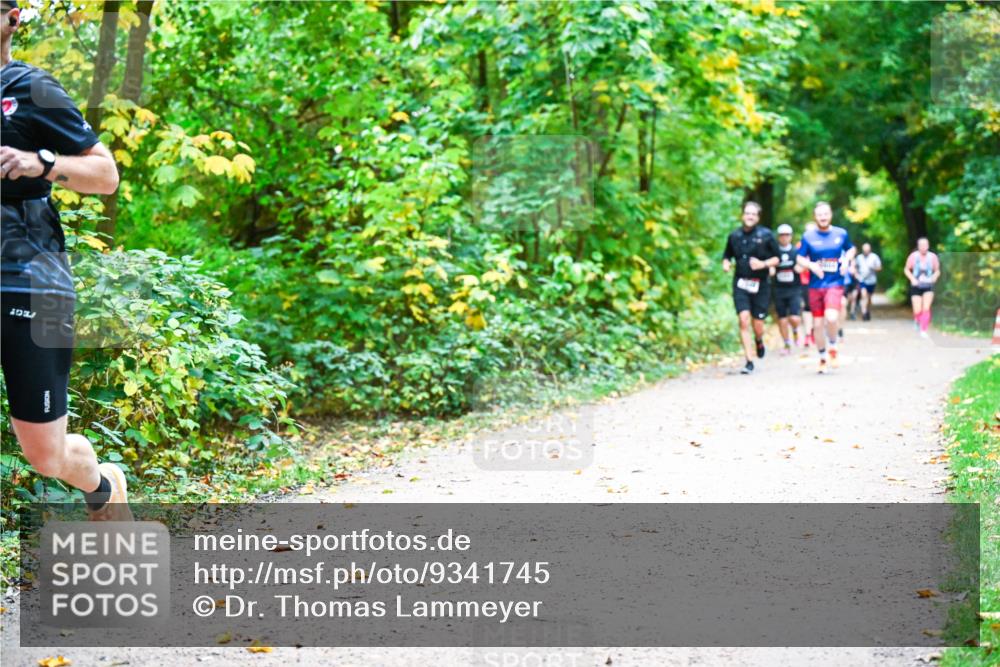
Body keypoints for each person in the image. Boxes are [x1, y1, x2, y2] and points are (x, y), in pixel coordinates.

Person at [1, 0, 129, 519]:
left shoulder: (33, 88)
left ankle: (103, 485)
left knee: (46, 456)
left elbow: (106, 175)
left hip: (36, 281)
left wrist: (42, 162)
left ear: (11, 18)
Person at [722, 201, 781, 375]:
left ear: (758, 217)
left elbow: (777, 258)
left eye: (753, 214)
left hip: (761, 285)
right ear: (742, 215)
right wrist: (726, 264)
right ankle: (749, 360)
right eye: (747, 213)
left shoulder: (767, 235)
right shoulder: (734, 236)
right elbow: (726, 256)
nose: (750, 216)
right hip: (741, 283)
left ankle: (759, 340)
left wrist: (763, 264)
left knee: (758, 323)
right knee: (743, 319)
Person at [797, 202, 855, 373]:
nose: (823, 217)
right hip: (815, 285)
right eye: (819, 214)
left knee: (831, 317)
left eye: (825, 214)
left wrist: (846, 260)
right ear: (815, 217)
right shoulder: (808, 236)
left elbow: (851, 249)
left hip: (834, 283)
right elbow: (799, 258)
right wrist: (811, 265)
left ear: (830, 215)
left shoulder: (840, 233)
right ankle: (822, 357)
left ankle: (833, 346)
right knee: (817, 324)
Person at [771, 224, 803, 355]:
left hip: (794, 289)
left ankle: (795, 330)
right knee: (782, 319)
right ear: (779, 237)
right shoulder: (774, 252)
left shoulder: (796, 252)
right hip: (779, 289)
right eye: (782, 235)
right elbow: (769, 265)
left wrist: (800, 268)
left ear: (791, 236)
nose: (784, 238)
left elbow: (804, 265)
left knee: (794, 318)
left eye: (787, 235)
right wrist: (771, 269)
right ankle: (786, 343)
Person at [903, 237, 940, 339]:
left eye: (925, 245)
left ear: (928, 246)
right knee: (917, 310)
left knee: (926, 308)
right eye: (921, 245)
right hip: (916, 285)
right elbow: (906, 269)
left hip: (928, 286)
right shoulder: (913, 257)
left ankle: (923, 330)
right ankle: (917, 319)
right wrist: (912, 279)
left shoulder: (932, 257)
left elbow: (937, 270)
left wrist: (934, 277)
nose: (924, 247)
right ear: (918, 246)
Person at [797, 223, 816, 347]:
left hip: (820, 282)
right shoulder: (799, 246)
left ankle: (814, 331)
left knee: (818, 310)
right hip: (805, 282)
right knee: (807, 308)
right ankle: (808, 334)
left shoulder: (822, 245)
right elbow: (796, 267)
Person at [854, 242, 882, 320]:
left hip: (872, 281)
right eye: (864, 249)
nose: (866, 251)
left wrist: (873, 268)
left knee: (869, 298)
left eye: (867, 249)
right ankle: (864, 313)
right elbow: (854, 267)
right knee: (864, 295)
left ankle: (867, 310)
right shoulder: (859, 258)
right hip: (862, 280)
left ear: (870, 249)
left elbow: (879, 268)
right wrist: (856, 275)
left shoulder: (874, 257)